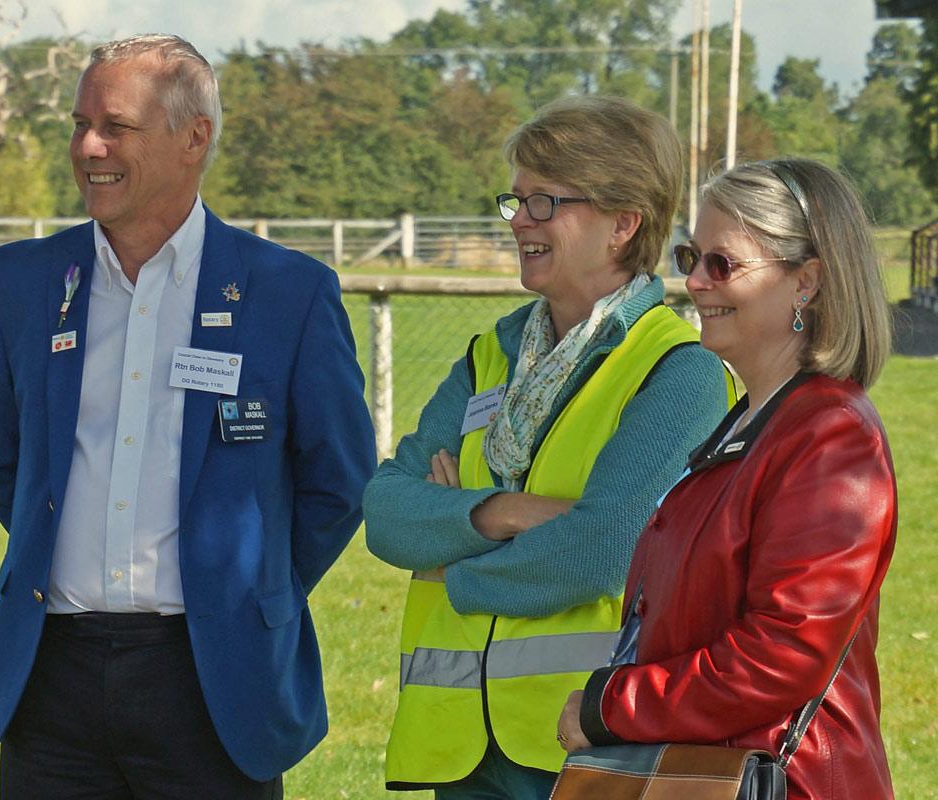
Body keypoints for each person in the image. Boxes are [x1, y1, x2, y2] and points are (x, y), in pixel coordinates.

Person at [0, 34, 376, 799]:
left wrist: (250, 590)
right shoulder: (20, 283)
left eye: (115, 126)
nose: (89, 146)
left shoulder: (287, 292)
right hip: (50, 677)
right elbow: (6, 465)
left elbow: (339, 480)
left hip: (212, 680)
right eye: (80, 123)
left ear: (196, 137)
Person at [363, 95, 733, 798]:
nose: (520, 223)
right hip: (459, 749)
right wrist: (501, 511)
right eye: (518, 200)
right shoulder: (489, 355)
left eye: (546, 203)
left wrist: (450, 570)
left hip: (584, 744)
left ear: (624, 223)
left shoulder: (678, 372)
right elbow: (385, 513)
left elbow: (605, 550)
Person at [557, 158, 897, 799]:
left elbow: (781, 657)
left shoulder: (830, 437)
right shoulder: (754, 424)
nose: (695, 282)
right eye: (691, 257)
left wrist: (612, 707)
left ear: (808, 282)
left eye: (724, 264)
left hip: (786, 783)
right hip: (713, 772)